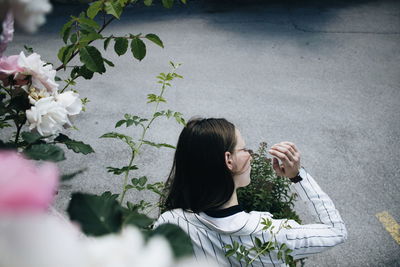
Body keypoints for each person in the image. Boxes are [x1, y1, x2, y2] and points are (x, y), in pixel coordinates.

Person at [154, 118, 347, 266]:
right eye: (245, 148)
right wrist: (296, 176)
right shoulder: (273, 235)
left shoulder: (170, 224)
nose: (251, 155)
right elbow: (336, 231)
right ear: (229, 160)